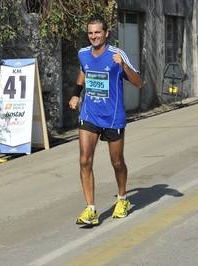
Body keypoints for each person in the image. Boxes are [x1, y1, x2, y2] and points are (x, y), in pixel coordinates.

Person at [69, 15, 143, 225]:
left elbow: (138, 83)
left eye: (97, 32)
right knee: (85, 159)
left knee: (117, 162)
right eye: (90, 33)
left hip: (112, 117)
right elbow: (84, 70)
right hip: (90, 114)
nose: (94, 36)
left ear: (106, 33)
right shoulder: (83, 53)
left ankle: (122, 199)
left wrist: (124, 67)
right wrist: (76, 93)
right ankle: (90, 209)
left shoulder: (117, 55)